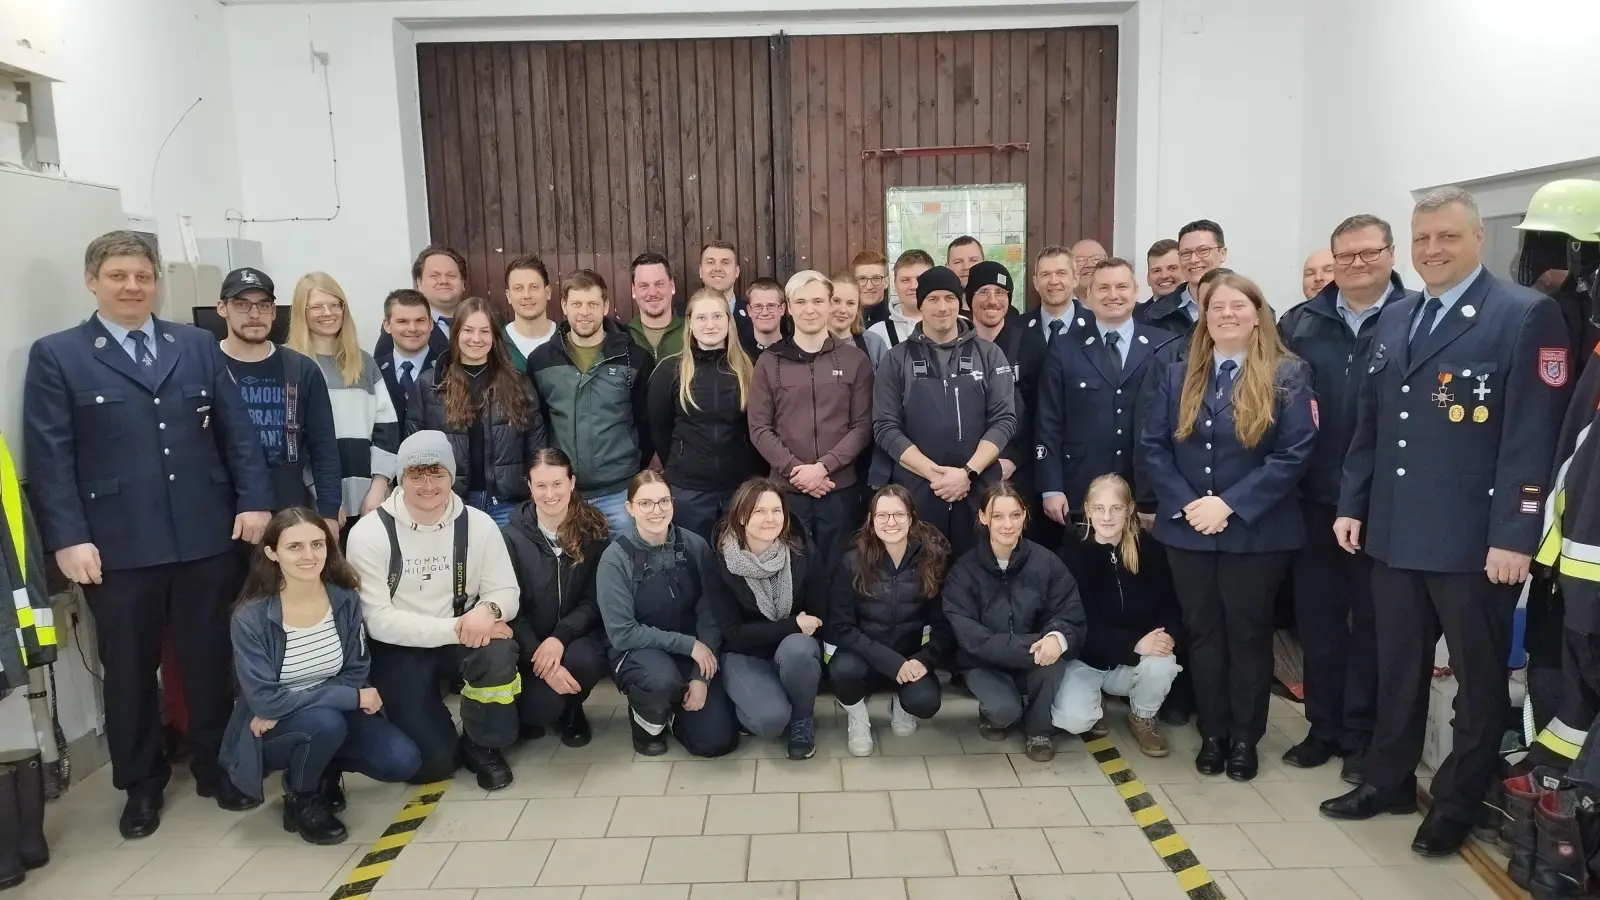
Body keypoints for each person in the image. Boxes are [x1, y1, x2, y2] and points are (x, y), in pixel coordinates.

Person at [1322, 187, 1570, 857]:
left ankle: (1457, 802)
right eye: (1423, 237)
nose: (1434, 249)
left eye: (1448, 237)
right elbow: (1372, 428)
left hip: (1473, 546)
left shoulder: (1523, 315)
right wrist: (1353, 503)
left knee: (1477, 682)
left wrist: (1514, 536)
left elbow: (1531, 438)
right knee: (1396, 669)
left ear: (1477, 240)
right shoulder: (1398, 318)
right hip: (1396, 534)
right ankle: (1388, 781)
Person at [24, 231, 272, 837]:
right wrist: (68, 538)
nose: (131, 286)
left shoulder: (195, 346)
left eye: (141, 275)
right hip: (117, 547)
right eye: (118, 276)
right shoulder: (59, 355)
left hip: (203, 535)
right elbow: (50, 457)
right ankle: (141, 784)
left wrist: (255, 500)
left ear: (155, 281)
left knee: (209, 660)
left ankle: (217, 764)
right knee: (130, 670)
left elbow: (235, 433)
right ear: (93, 282)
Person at [1138, 271, 1317, 781]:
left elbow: (1295, 453)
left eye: (1239, 306)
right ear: (1204, 318)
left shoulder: (1288, 374)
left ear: (1258, 314)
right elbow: (1153, 445)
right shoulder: (1178, 375)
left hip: (1257, 533)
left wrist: (1230, 506)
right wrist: (1191, 504)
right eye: (1217, 308)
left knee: (1248, 635)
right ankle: (1212, 733)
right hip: (1188, 528)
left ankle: (1244, 738)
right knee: (1203, 633)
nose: (1228, 315)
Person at [1275, 215, 1411, 780]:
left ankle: (1362, 733)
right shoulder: (1299, 323)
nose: (1357, 264)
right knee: (1319, 623)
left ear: (1389, 252)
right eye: (1346, 256)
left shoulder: (1414, 318)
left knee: (1375, 626)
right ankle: (1322, 726)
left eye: (1368, 253)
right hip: (1311, 498)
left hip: (1383, 503)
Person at [221, 509, 421, 844]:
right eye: (294, 547)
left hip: (308, 715)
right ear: (272, 552)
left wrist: (290, 705)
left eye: (317, 544)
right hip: (270, 732)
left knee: (404, 761)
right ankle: (302, 798)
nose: (309, 555)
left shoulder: (343, 599)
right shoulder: (250, 617)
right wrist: (348, 698)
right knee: (324, 724)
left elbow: (356, 669)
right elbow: (264, 699)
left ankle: (321, 765)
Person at [345, 431, 523, 790]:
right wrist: (462, 627)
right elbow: (377, 620)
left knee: (498, 651)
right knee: (432, 765)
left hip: (462, 638)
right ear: (400, 477)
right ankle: (414, 721)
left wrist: (489, 610)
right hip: (399, 647)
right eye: (416, 474)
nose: (427, 485)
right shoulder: (368, 533)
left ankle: (483, 745)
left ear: (451, 476)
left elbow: (506, 590)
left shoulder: (479, 523)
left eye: (437, 473)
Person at [875, 266, 1017, 556]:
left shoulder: (989, 354)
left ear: (960, 302)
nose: (943, 307)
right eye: (933, 299)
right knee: (922, 576)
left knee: (978, 575)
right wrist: (934, 475)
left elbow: (1004, 420)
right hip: (919, 491)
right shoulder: (896, 359)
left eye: (950, 298)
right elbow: (885, 427)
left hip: (977, 490)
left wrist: (967, 473)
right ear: (920, 304)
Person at [596, 471, 739, 757]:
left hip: (692, 655)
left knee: (716, 741)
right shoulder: (615, 559)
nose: (656, 510)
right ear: (630, 508)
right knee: (663, 682)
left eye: (663, 501)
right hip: (639, 653)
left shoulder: (696, 546)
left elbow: (711, 613)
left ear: (673, 503)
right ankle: (647, 720)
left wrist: (701, 678)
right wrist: (689, 645)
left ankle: (675, 713)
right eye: (645, 503)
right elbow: (622, 632)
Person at [944, 482, 1084, 762]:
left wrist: (1056, 638)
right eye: (998, 516)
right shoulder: (964, 570)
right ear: (983, 517)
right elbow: (970, 636)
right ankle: (998, 709)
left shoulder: (1047, 563)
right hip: (984, 663)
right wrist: (1030, 645)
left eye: (1015, 515)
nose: (1007, 525)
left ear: (1024, 517)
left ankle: (1039, 730)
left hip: (1036, 659)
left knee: (1053, 658)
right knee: (1004, 712)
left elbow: (1069, 612)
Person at [1039, 258, 1177, 527]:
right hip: (1082, 487)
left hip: (1147, 489)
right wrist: (1051, 487)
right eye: (1103, 288)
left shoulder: (1165, 345)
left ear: (1136, 291)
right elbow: (1048, 420)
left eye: (1121, 286)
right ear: (1088, 295)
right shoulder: (1064, 347)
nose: (1113, 295)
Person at [750, 271, 875, 563]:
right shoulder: (770, 361)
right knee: (792, 571)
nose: (810, 309)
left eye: (818, 300)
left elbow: (863, 425)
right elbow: (759, 427)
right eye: (801, 301)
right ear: (789, 308)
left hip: (839, 490)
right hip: (786, 493)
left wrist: (823, 468)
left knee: (839, 575)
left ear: (830, 304)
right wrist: (797, 471)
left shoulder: (854, 360)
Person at [1052, 475, 1182, 757]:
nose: (1107, 517)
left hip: (1134, 661)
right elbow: (1075, 625)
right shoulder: (1070, 555)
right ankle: (1095, 703)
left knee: (1162, 664)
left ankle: (1143, 716)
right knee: (1072, 721)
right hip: (1086, 660)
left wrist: (1165, 637)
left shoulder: (1150, 550)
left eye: (1116, 508)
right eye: (1099, 508)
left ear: (1129, 509)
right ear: (1087, 509)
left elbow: (1171, 604)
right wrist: (1131, 644)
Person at [707, 478, 829, 758]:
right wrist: (793, 624)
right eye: (759, 511)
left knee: (799, 649)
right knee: (770, 723)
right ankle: (753, 697)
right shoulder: (720, 560)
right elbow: (733, 633)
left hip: (791, 649)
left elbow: (817, 616)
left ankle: (802, 719)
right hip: (743, 653)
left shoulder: (802, 552)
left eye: (776, 511)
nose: (769, 519)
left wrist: (796, 628)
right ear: (740, 516)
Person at [827, 485, 952, 756]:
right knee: (842, 671)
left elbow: (944, 627)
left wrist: (924, 659)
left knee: (927, 703)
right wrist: (891, 662)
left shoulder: (932, 561)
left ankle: (901, 703)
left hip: (910, 660)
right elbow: (841, 627)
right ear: (871, 521)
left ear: (912, 518)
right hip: (864, 658)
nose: (891, 522)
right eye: (882, 515)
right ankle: (857, 715)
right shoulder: (852, 561)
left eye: (899, 514)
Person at [529, 269, 655, 536]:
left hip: (619, 492)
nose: (584, 312)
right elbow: (537, 423)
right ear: (564, 305)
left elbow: (647, 424)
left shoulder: (634, 358)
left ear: (606, 306)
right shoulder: (542, 361)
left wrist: (628, 464)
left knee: (625, 569)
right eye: (576, 304)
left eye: (592, 304)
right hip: (565, 495)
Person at [216, 268, 343, 527]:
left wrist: (329, 512)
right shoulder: (204, 365)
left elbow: (324, 448)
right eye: (242, 305)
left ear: (274, 312)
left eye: (263, 305)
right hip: (222, 507)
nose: (254, 315)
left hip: (290, 507)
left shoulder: (301, 369)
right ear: (222, 308)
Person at [502, 448, 611, 748]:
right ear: (529, 487)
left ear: (572, 483)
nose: (550, 494)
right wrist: (540, 655)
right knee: (539, 712)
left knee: (587, 660)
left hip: (575, 638)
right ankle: (547, 705)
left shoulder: (593, 529)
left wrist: (560, 638)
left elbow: (594, 599)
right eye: (541, 485)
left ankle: (573, 710)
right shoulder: (510, 537)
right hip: (531, 647)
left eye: (557, 483)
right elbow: (512, 608)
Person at [406, 296, 546, 527]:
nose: (476, 339)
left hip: (508, 504)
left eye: (484, 331)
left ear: (494, 336)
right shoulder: (430, 384)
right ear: (456, 334)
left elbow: (537, 445)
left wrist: (534, 494)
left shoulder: (518, 383)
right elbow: (414, 447)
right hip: (450, 503)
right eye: (468, 330)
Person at [287, 272, 400, 532]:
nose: (328, 312)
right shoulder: (290, 365)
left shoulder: (364, 364)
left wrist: (379, 488)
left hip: (369, 503)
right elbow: (292, 440)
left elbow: (387, 430)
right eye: (316, 306)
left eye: (335, 304)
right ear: (301, 312)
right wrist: (326, 497)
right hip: (314, 506)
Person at [647, 288, 762, 539]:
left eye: (717, 317)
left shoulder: (749, 368)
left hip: (738, 488)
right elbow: (659, 429)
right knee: (693, 564)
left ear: (729, 321)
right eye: (701, 318)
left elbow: (757, 428)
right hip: (689, 491)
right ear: (689, 323)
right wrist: (683, 463)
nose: (710, 325)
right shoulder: (670, 371)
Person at [965, 260, 1048, 538]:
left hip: (1017, 469)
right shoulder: (957, 345)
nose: (993, 300)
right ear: (969, 300)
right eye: (983, 292)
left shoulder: (1030, 343)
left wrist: (1014, 459)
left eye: (1000, 292)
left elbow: (1043, 411)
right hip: (970, 470)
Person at [374, 245, 467, 360]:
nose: (443, 281)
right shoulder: (397, 329)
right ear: (419, 283)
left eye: (451, 276)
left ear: (463, 283)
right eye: (434, 276)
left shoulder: (489, 322)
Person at [1140, 222, 1227, 338]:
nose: (1194, 260)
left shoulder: (1249, 305)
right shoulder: (1154, 316)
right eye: (1186, 253)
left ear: (1223, 254)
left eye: (1203, 250)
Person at [376, 289, 440, 435]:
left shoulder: (448, 370)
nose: (412, 328)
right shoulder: (373, 371)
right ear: (387, 325)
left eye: (420, 321)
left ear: (430, 324)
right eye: (402, 321)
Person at [1020, 245, 1089, 349]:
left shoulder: (1096, 325)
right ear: (1036, 283)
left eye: (1061, 273)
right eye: (1045, 274)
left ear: (1075, 279)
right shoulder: (1016, 329)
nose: (1053, 281)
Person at [865, 249, 933, 349]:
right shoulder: (877, 334)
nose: (914, 286)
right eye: (905, 280)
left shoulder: (957, 326)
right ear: (895, 285)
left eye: (920, 279)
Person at [627, 252, 686, 364]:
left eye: (659, 284)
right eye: (644, 286)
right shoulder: (623, 337)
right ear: (634, 291)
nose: (652, 292)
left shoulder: (693, 333)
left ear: (672, 286)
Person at [502, 255, 558, 372]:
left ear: (547, 292)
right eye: (518, 288)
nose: (527, 295)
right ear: (509, 296)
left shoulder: (566, 341)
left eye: (534, 287)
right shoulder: (496, 344)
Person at [829, 270, 889, 368]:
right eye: (836, 301)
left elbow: (886, 381)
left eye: (850, 303)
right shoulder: (811, 343)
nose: (843, 310)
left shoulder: (874, 343)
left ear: (857, 309)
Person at [741, 277, 789, 357]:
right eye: (758, 306)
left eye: (771, 306)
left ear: (782, 309)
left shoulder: (795, 351)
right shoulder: (738, 353)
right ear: (749, 310)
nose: (764, 313)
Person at [851, 249, 893, 330]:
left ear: (886, 282)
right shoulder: (844, 321)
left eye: (876, 278)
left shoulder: (897, 322)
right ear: (853, 283)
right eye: (862, 278)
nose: (869, 286)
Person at [1144, 239, 1183, 306]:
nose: (1164, 276)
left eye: (1172, 268)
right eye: (1156, 270)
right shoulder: (1134, 315)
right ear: (1148, 278)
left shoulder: (1201, 312)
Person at [1070, 239, 1109, 305]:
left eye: (1096, 259)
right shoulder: (1058, 308)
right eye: (1080, 260)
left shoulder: (1121, 304)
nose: (1089, 264)